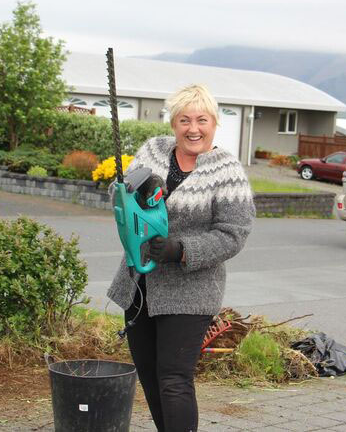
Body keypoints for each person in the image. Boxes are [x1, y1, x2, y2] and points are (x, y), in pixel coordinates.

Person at [107, 84, 255, 432]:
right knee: (149, 377)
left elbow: (234, 234)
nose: (193, 128)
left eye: (202, 120)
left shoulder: (227, 171)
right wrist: (128, 190)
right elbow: (119, 197)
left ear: (214, 123)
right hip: (140, 285)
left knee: (174, 379)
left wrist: (181, 249)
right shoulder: (153, 151)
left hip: (191, 291)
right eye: (184, 120)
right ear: (173, 123)